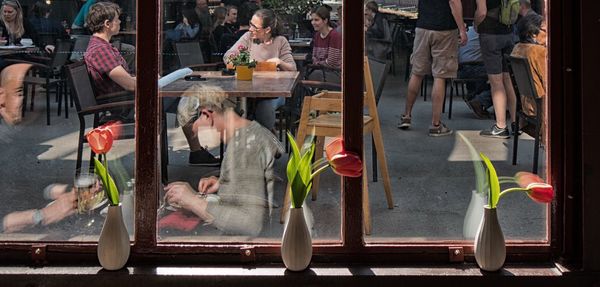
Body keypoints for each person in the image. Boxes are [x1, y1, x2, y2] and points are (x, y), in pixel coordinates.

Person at [85, 2, 219, 166]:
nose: (120, 22)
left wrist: (148, 77)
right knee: (187, 97)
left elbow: (127, 79)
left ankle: (196, 151)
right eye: (117, 19)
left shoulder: (103, 47)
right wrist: (149, 80)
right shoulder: (100, 50)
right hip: (127, 105)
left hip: (129, 100)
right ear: (107, 24)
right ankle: (197, 151)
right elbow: (129, 85)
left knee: (186, 97)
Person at [164, 90, 284, 236]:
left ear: (207, 114)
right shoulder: (246, 133)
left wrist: (193, 201)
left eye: (194, 125)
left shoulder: (245, 146)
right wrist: (224, 181)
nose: (194, 132)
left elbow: (249, 224)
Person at [397, 0, 467, 137]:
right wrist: (462, 29)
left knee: (416, 72)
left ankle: (406, 115)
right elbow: (454, 2)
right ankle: (436, 124)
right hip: (444, 29)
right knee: (440, 76)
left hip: (423, 26)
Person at [223, 9, 296, 131]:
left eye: (254, 27)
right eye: (250, 24)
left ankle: (265, 143)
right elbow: (228, 56)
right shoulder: (248, 37)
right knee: (228, 104)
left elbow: (293, 68)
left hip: (273, 94)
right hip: (247, 90)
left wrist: (279, 62)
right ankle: (236, 146)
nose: (250, 29)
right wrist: (238, 61)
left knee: (264, 108)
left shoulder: (280, 41)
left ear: (267, 30)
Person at [475, 0, 519, 138]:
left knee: (496, 82)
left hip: (491, 35)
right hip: (509, 34)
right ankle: (515, 123)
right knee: (507, 79)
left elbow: (482, 12)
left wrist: (476, 24)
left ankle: (500, 126)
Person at [510, 13, 546, 136]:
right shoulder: (539, 51)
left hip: (527, 105)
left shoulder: (517, 48)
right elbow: (548, 82)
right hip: (541, 106)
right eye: (545, 30)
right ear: (532, 34)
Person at [458, 25, 493, 119]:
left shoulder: (470, 30)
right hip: (473, 67)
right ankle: (479, 100)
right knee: (502, 77)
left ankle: (473, 96)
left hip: (461, 68)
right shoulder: (485, 33)